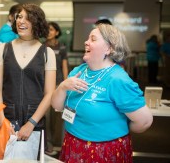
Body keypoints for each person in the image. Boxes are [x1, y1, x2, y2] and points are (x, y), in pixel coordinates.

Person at [51, 23, 153, 162]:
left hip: (105, 149)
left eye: (93, 39)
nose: (86, 42)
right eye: (88, 39)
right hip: (72, 143)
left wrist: (116, 126)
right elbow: (57, 106)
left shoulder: (118, 79)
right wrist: (62, 86)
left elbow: (145, 122)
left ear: (109, 48)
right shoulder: (78, 71)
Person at [0, 3, 56, 143]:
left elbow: (49, 93)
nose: (21, 21)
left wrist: (31, 123)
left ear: (37, 23)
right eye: (19, 17)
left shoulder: (47, 53)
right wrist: (1, 119)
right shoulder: (3, 49)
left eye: (27, 18)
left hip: (35, 121)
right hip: (7, 118)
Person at [44, 22, 68, 155]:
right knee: (46, 117)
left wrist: (66, 84)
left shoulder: (62, 47)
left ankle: (62, 144)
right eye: (47, 29)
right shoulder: (41, 47)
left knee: (59, 117)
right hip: (46, 86)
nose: (49, 32)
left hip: (59, 85)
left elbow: (64, 66)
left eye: (52, 29)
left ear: (57, 32)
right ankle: (48, 145)